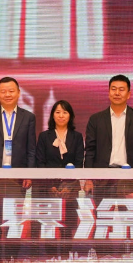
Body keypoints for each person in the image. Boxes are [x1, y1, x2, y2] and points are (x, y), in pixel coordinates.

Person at [0, 77, 37, 261]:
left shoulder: (28, 117)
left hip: (17, 176)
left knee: (14, 219)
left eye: (11, 91)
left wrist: (29, 174)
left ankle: (12, 258)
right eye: (3, 91)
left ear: (18, 93)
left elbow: (31, 149)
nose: (7, 94)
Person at [84, 75, 133, 201]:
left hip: (130, 179)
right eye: (113, 89)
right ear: (108, 92)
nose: (117, 93)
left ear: (128, 94)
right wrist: (88, 178)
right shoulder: (96, 119)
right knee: (103, 214)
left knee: (130, 214)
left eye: (121, 89)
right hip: (102, 179)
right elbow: (90, 151)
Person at [35, 100, 84, 253]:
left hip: (70, 188)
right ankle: (50, 255)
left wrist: (68, 187)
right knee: (50, 223)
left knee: (68, 223)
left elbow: (79, 162)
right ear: (52, 115)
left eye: (65, 112)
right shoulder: (44, 136)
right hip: (49, 188)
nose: (61, 116)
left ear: (70, 116)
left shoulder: (77, 137)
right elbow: (40, 162)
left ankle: (66, 254)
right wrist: (50, 186)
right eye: (57, 112)